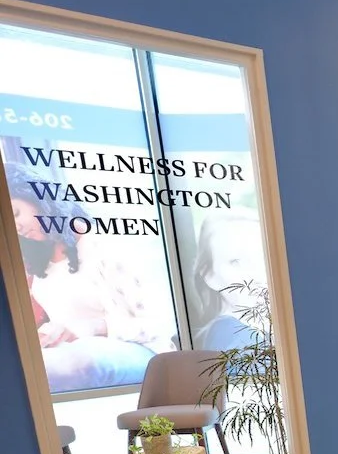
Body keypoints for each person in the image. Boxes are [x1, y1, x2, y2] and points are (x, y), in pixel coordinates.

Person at [7, 163, 172, 393]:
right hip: (73, 357)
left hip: (141, 351)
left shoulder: (103, 246)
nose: (17, 227)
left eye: (16, 213)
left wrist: (93, 328)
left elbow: (160, 323)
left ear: (38, 198)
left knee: (76, 360)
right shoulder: (38, 264)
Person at [186, 212, 268, 352]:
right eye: (236, 262)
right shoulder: (239, 341)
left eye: (264, 257)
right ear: (209, 276)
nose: (257, 273)